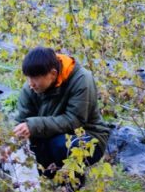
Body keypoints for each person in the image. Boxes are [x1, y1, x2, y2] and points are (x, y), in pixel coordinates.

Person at [13, 47, 111, 185]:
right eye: (28, 78)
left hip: (89, 137)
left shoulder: (81, 79)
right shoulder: (31, 87)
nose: (30, 83)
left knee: (59, 146)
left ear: (53, 74)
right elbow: (21, 121)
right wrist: (12, 143)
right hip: (51, 135)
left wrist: (34, 125)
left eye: (35, 78)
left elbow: (75, 120)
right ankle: (49, 191)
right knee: (20, 155)